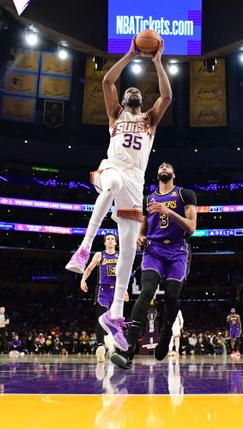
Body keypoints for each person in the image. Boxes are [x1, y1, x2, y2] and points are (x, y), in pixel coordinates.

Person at [64, 38, 172, 352]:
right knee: (109, 184)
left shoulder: (149, 120)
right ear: (124, 100)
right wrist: (130, 54)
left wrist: (157, 61)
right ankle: (84, 248)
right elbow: (108, 80)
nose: (133, 91)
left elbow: (166, 95)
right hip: (112, 169)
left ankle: (114, 314)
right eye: (130, 92)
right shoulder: (115, 115)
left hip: (136, 184)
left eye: (137, 92)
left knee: (127, 253)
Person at [110, 163, 197, 369]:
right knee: (146, 291)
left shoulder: (185, 194)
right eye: (161, 166)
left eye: (168, 166)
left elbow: (192, 228)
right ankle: (128, 348)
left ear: (173, 174)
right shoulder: (148, 199)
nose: (164, 167)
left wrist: (169, 211)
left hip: (178, 250)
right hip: (154, 250)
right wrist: (140, 237)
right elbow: (143, 229)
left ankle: (166, 334)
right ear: (158, 175)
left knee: (171, 297)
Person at [79, 234, 125, 362]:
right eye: (108, 239)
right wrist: (83, 280)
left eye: (112, 239)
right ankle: (100, 346)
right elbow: (88, 269)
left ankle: (113, 348)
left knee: (115, 321)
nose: (110, 241)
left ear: (116, 243)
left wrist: (125, 290)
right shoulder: (100, 255)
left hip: (116, 290)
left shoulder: (120, 255)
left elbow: (124, 274)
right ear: (105, 243)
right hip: (103, 290)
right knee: (102, 319)